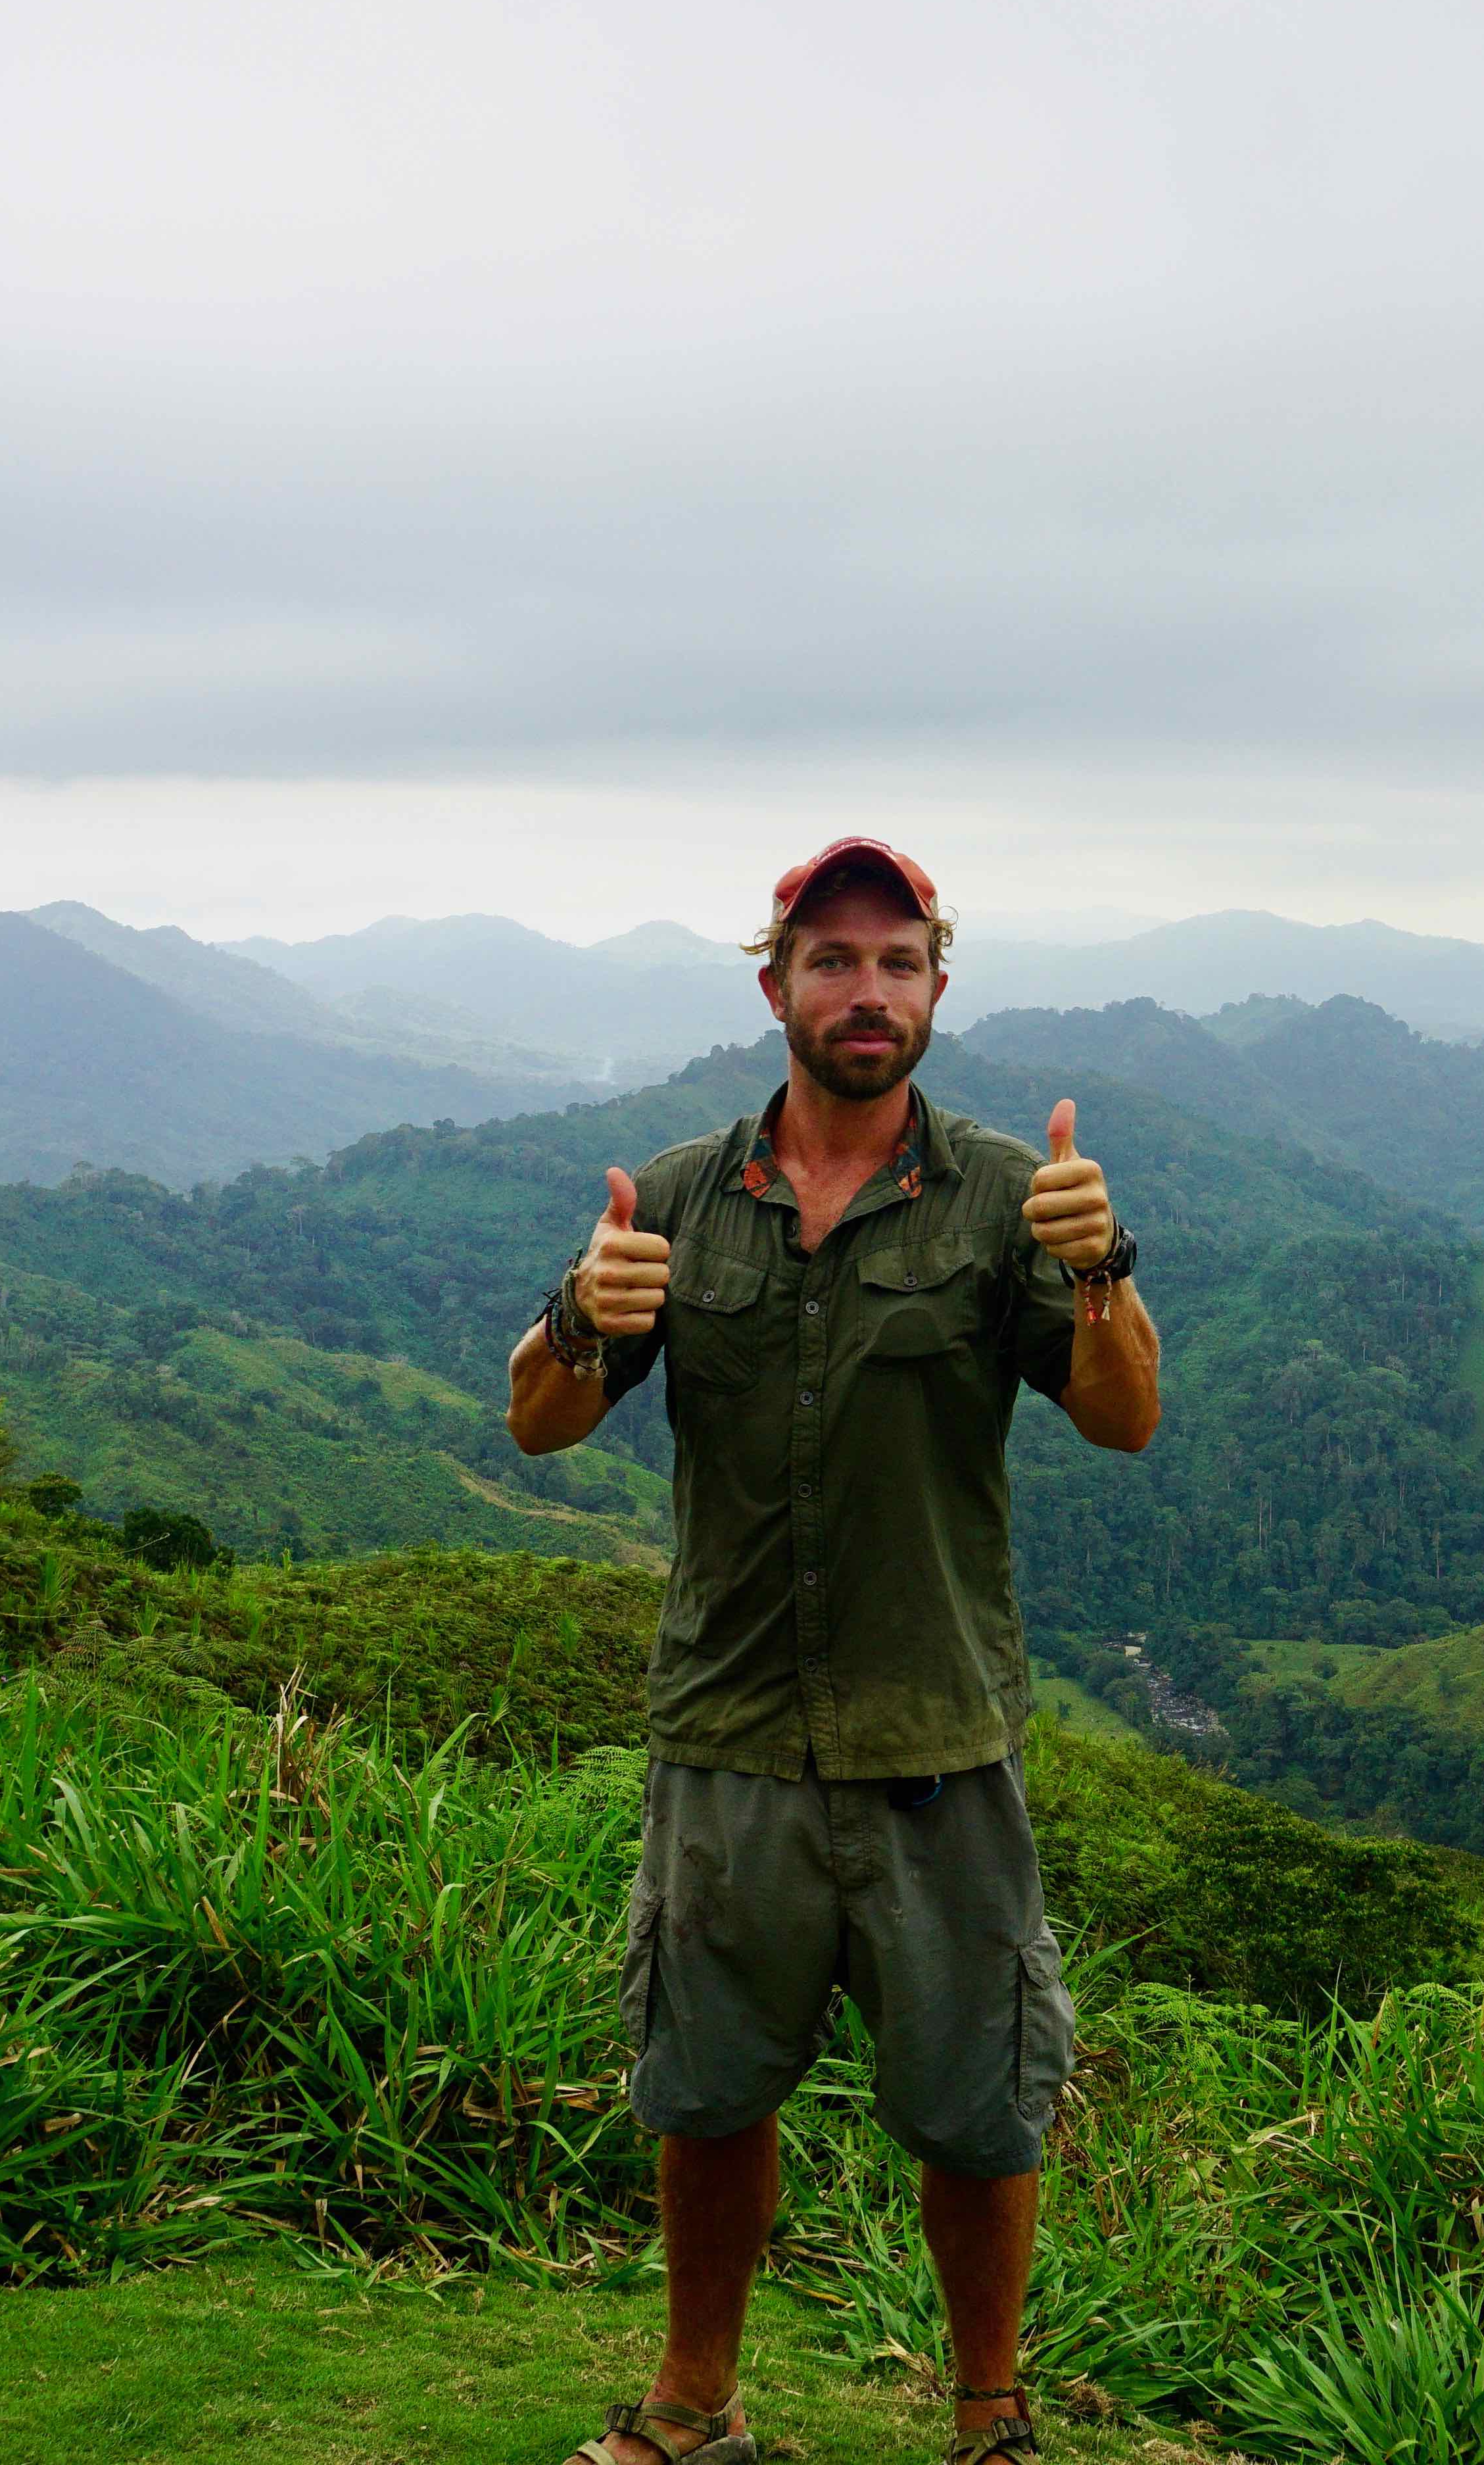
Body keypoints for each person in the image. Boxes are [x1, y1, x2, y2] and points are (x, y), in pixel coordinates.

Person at [507, 837, 1163, 2465]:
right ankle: (692, 2405)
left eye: (895, 959)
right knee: (708, 2092)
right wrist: (585, 1312)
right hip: (728, 1731)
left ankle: (991, 2416)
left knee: (977, 2104)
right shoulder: (671, 1195)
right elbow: (538, 1422)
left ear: (939, 984)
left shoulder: (1013, 1194)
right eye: (830, 957)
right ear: (774, 984)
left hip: (939, 1736)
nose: (863, 989)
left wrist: (1099, 1275)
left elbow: (1126, 1417)